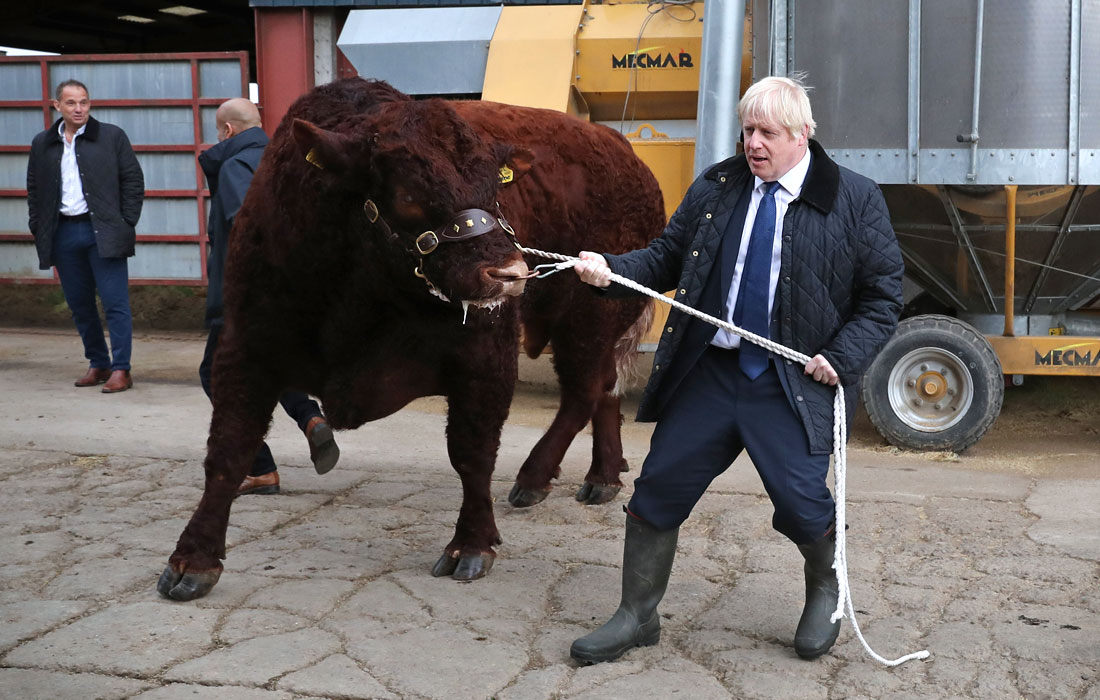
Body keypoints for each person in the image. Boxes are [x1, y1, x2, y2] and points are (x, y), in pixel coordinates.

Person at [569, 76, 904, 664]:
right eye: (748, 130)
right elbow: (664, 257)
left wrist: (841, 357)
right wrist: (608, 270)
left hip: (792, 383)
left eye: (767, 132)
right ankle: (637, 615)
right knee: (657, 490)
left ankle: (827, 589)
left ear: (802, 136)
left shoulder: (853, 198)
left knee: (803, 502)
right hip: (712, 372)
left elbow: (882, 300)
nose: (754, 143)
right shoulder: (719, 186)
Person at [198, 97, 339, 495]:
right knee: (269, 367)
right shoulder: (288, 159)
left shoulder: (233, 166)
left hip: (247, 293)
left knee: (215, 375)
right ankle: (311, 419)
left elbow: (246, 227)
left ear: (226, 131)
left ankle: (259, 467)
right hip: (290, 289)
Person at [27, 79, 144, 393]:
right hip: (64, 232)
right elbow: (35, 189)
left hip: (103, 231)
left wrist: (125, 222)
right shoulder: (43, 143)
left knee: (114, 302)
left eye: (84, 102)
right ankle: (99, 362)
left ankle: (122, 369)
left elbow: (133, 180)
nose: (79, 109)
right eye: (71, 103)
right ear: (57, 106)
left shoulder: (111, 137)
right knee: (79, 304)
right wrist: (39, 225)